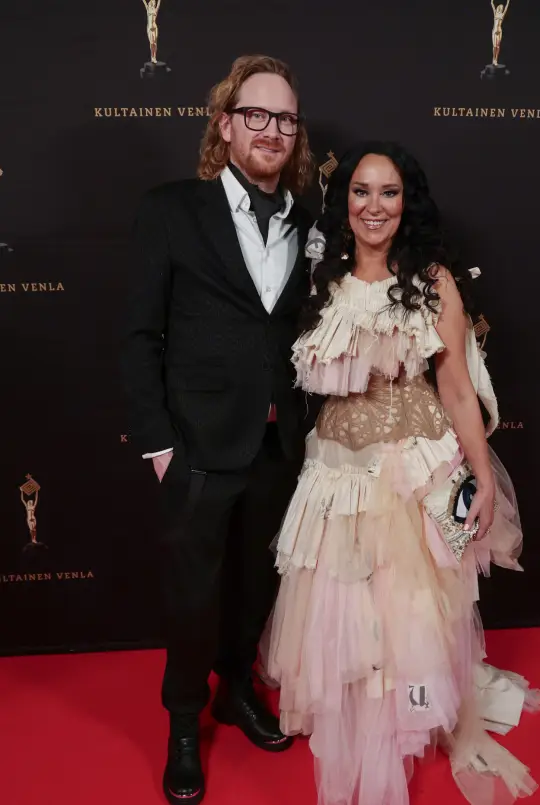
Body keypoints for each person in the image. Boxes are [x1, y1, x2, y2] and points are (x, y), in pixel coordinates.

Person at [264, 141, 540, 805]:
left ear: (406, 202)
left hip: (414, 471)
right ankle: (362, 712)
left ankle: (415, 712)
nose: (374, 206)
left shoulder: (433, 281)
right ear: (344, 201)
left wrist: (482, 474)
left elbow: (456, 389)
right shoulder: (320, 278)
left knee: (415, 609)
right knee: (343, 603)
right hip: (336, 474)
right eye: (361, 191)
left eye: (388, 192)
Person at [121, 55, 316, 805]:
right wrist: (160, 444)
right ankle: (182, 723)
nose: (272, 130)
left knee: (257, 585)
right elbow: (140, 335)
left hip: (278, 445)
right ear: (226, 125)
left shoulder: (310, 221)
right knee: (192, 595)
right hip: (197, 446)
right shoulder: (171, 210)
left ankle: (236, 690)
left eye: (285, 119)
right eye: (256, 115)